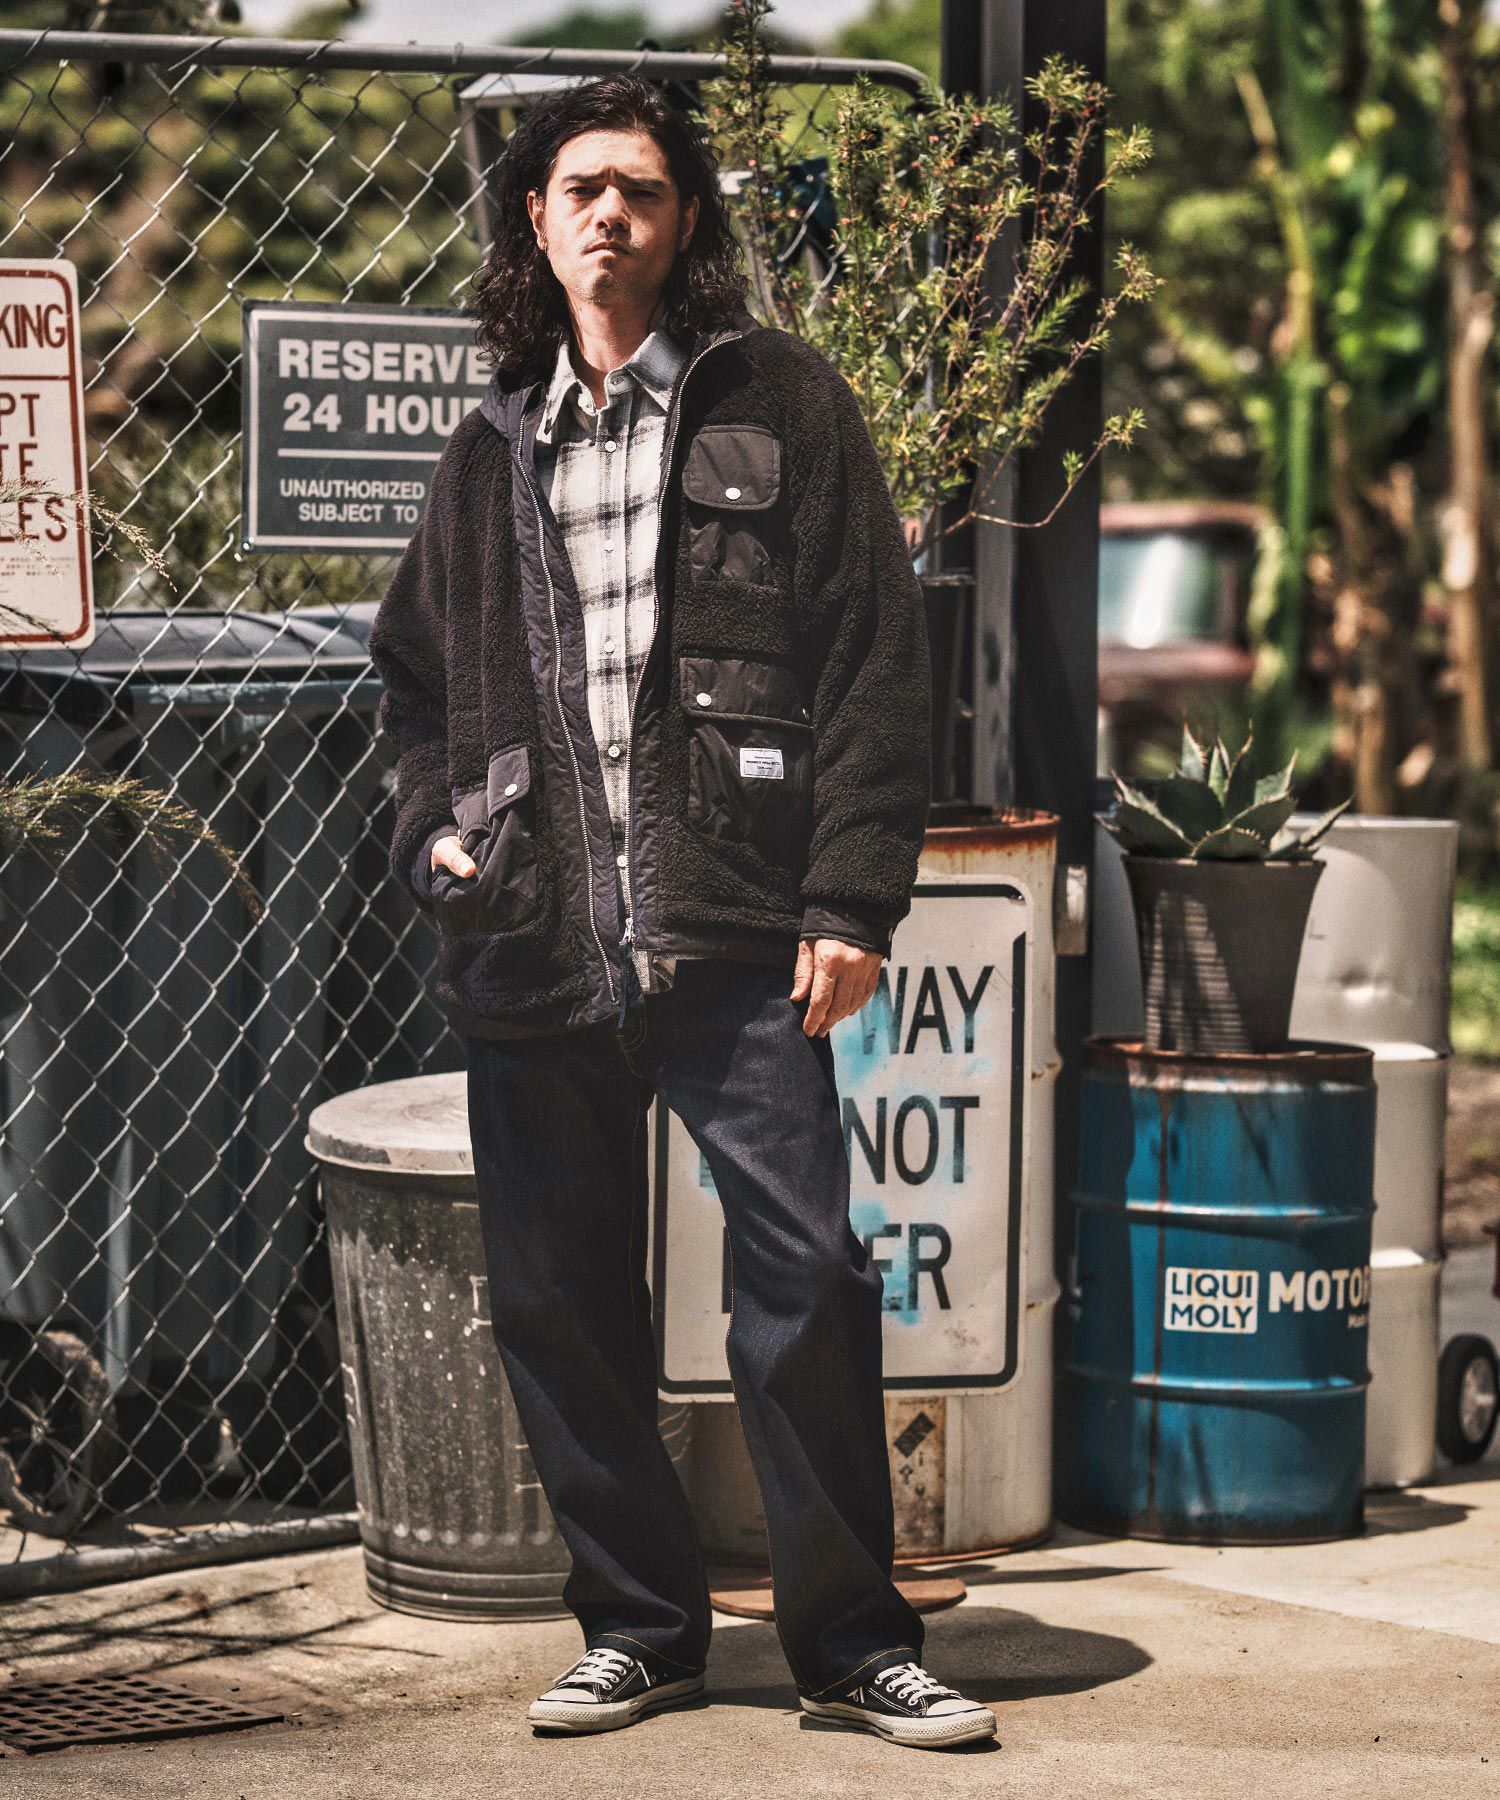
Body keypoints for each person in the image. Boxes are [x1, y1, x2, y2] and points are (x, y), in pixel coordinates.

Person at [367, 71, 995, 1752]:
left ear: (685, 218)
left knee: (808, 1274)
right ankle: (641, 1632)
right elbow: (412, 686)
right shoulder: (488, 447)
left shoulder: (781, 402)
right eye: (580, 188)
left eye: (640, 189)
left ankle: (851, 1646)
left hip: (735, 934)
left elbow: (872, 657)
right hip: (532, 936)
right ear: (535, 220)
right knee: (559, 1301)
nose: (609, 215)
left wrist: (852, 895)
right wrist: (437, 836)